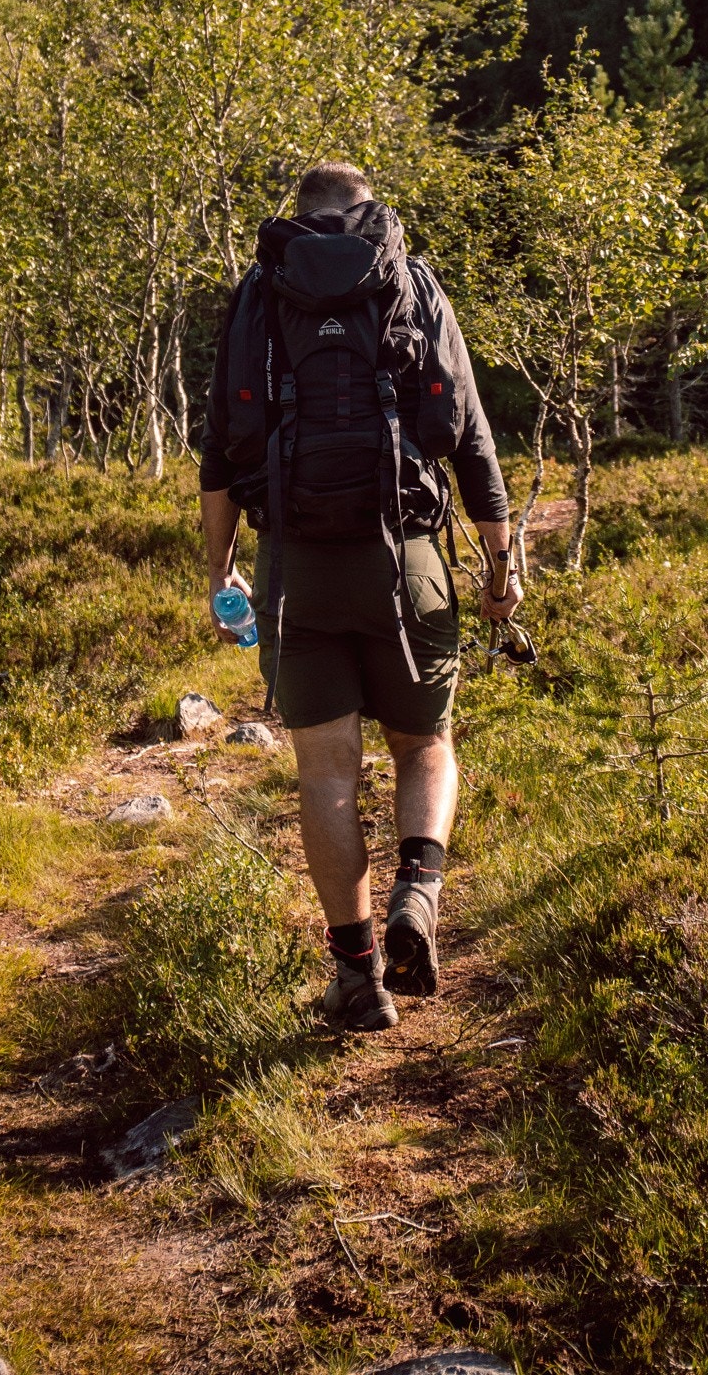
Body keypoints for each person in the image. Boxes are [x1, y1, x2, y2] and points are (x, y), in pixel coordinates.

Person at [199, 159, 520, 1033]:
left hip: (296, 569)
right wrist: (499, 565)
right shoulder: (412, 282)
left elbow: (224, 445)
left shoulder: (259, 295)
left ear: (298, 216)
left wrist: (219, 570)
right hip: (407, 559)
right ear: (368, 209)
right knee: (424, 745)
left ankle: (359, 975)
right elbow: (472, 435)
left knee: (328, 772)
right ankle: (419, 888)